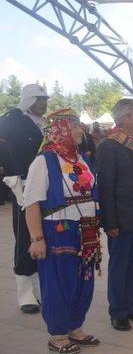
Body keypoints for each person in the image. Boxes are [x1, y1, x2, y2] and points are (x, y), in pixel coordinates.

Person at [23, 109, 101, 353]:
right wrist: (37, 239)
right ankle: (57, 334)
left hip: (87, 230)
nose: (81, 130)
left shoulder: (82, 159)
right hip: (58, 230)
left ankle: (75, 327)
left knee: (84, 280)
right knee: (59, 282)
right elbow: (32, 203)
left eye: (80, 126)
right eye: (75, 126)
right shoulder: (43, 161)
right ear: (60, 130)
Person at [97, 99, 133, 331]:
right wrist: (109, 222)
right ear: (123, 119)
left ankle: (132, 306)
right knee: (120, 265)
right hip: (120, 219)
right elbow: (105, 188)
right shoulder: (109, 146)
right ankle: (118, 312)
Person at [0, 83, 48, 314]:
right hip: (23, 187)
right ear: (29, 100)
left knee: (40, 235)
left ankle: (38, 291)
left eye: (45, 99)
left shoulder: (39, 124)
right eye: (40, 99)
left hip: (42, 186)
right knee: (24, 237)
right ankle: (25, 295)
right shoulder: (11, 122)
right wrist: (11, 176)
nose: (44, 103)